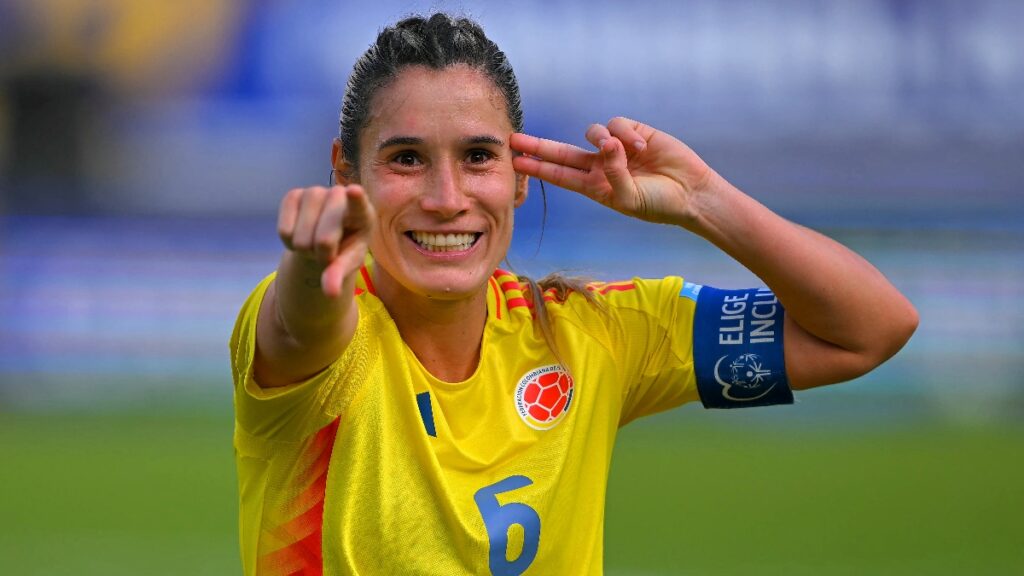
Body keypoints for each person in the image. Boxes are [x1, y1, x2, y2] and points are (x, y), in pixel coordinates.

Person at [229, 12, 918, 575]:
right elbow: (304, 324)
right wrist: (310, 261)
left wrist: (706, 202)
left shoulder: (590, 333)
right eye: (406, 159)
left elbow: (871, 328)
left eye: (478, 157)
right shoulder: (319, 336)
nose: (446, 199)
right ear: (348, 173)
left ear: (520, 179)